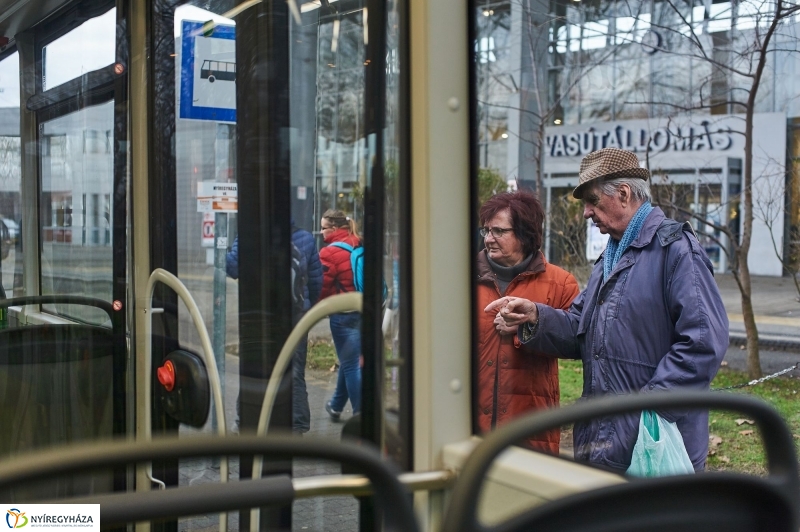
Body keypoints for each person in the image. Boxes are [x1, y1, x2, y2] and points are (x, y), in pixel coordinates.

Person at [486, 147, 728, 472]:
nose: (586, 212)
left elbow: (703, 342)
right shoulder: (610, 258)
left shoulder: (676, 251)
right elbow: (578, 328)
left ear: (624, 194)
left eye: (593, 201)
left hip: (655, 447)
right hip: (603, 441)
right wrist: (535, 316)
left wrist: (650, 410)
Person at [476, 190, 579, 454]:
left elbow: (577, 342)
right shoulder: (461, 278)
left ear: (525, 234)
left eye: (499, 231)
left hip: (531, 432)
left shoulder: (561, 283)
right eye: (486, 231)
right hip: (471, 430)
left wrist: (531, 325)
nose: (489, 239)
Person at [226, 221, 323, 434]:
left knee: (253, 365)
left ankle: (245, 420)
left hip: (258, 314)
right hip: (295, 316)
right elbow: (316, 280)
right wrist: (306, 307)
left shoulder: (249, 234)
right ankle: (297, 426)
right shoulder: (306, 238)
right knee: (295, 370)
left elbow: (232, 268)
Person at [318, 209, 362, 421]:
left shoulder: (328, 252)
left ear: (334, 229)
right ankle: (336, 405)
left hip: (343, 314)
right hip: (362, 309)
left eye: (324, 228)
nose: (321, 232)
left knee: (351, 364)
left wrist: (316, 309)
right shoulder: (358, 241)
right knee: (349, 360)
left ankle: (360, 415)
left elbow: (323, 287)